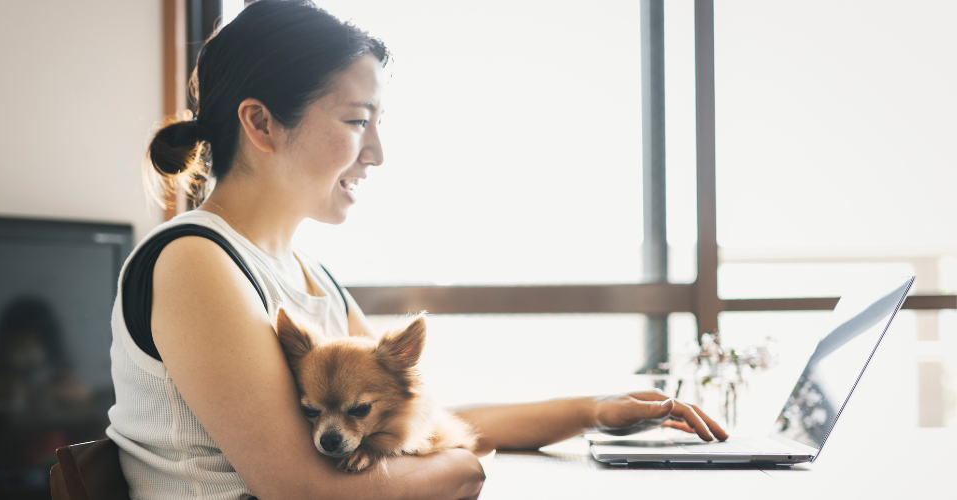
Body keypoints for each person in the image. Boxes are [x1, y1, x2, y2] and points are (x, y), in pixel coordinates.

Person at [107, 1, 728, 499]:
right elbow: (302, 490)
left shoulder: (308, 275)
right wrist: (463, 469)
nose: (377, 152)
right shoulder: (195, 263)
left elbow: (419, 416)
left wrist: (594, 410)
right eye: (357, 121)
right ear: (262, 123)